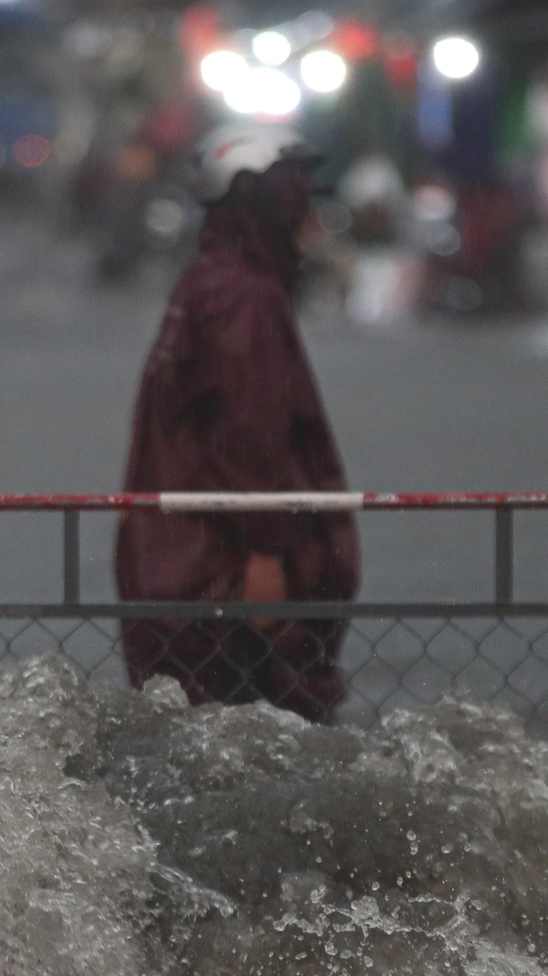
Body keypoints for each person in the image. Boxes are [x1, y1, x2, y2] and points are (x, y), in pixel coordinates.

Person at [114, 123, 360, 723]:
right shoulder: (243, 295)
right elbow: (250, 434)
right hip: (226, 584)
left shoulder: (209, 282)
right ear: (261, 199)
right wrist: (266, 557)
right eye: (295, 195)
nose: (309, 215)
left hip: (183, 571)